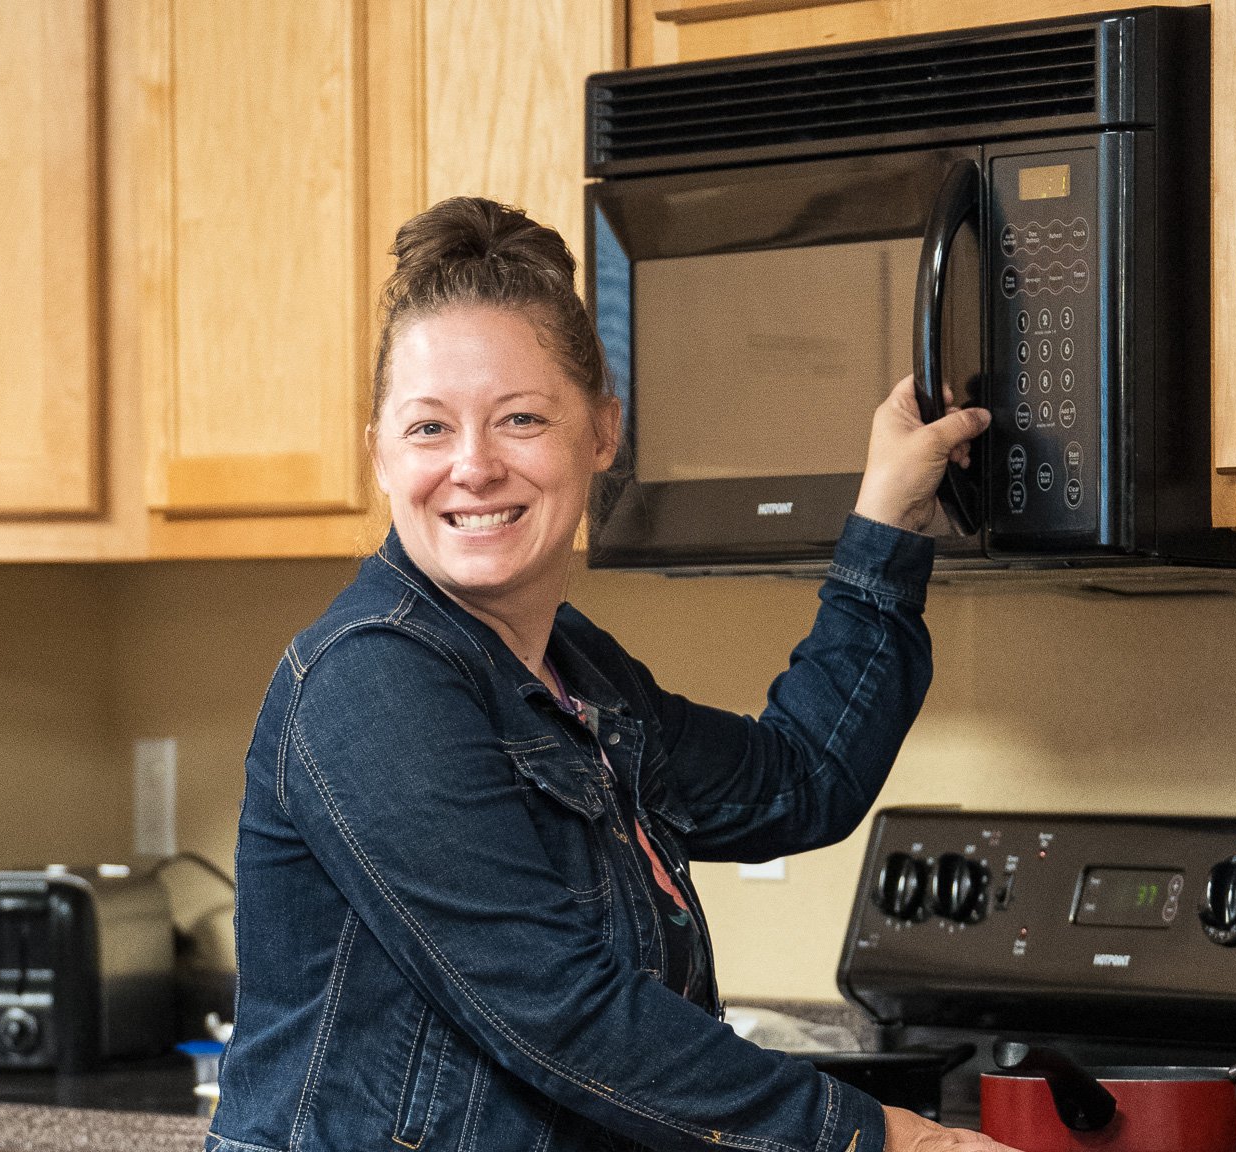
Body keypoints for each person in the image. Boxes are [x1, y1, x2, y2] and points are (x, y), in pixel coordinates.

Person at [206, 197, 1009, 1152]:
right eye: (428, 428)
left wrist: (888, 516)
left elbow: (800, 784)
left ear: (600, 432)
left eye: (519, 418)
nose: (473, 465)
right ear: (377, 451)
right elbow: (559, 1008)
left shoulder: (576, 672)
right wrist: (889, 1139)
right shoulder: (368, 680)